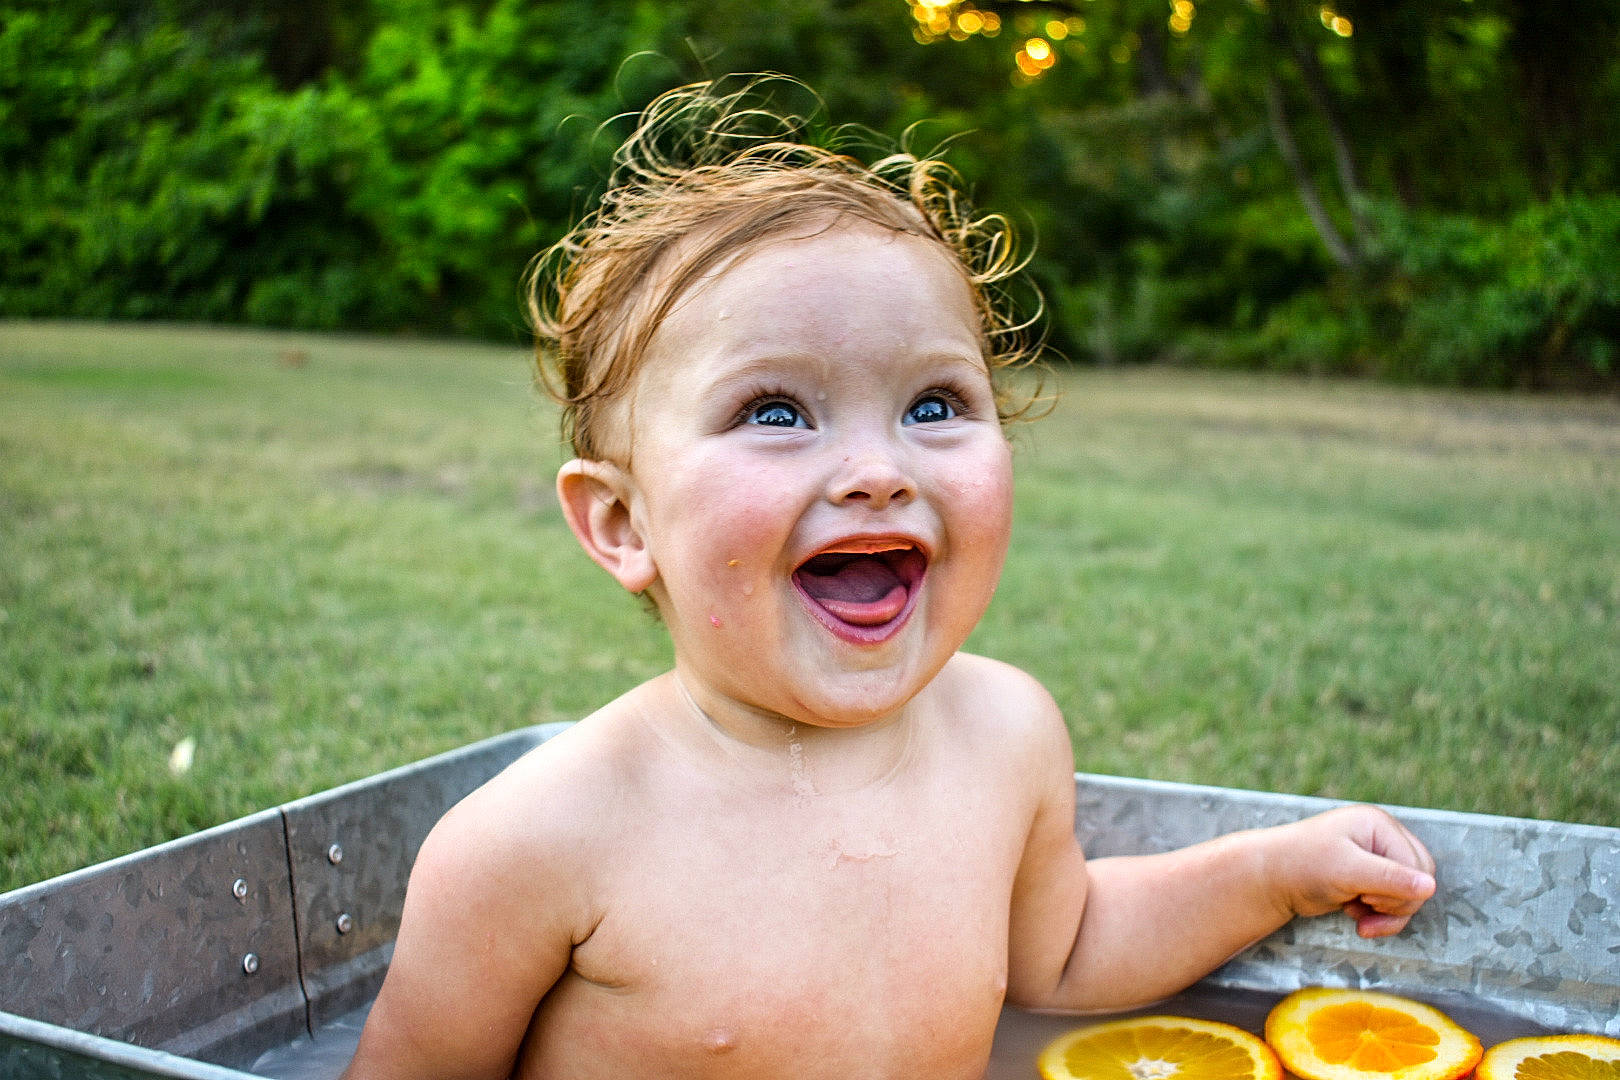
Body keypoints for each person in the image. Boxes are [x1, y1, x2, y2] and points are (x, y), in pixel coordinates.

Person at [340, 79, 1436, 1080]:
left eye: (934, 404)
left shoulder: (1006, 733)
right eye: (777, 412)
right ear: (624, 523)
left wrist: (1272, 875)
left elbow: (1063, 952)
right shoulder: (541, 839)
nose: (879, 470)